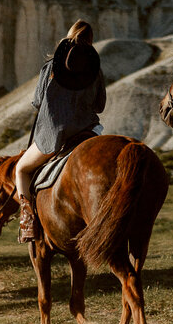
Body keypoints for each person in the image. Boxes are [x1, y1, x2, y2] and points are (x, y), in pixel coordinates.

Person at [13, 19, 107, 243]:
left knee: (21, 170)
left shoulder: (51, 66)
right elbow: (100, 105)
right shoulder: (95, 69)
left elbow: (37, 101)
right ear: (91, 40)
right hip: (87, 130)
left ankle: (27, 222)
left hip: (55, 135)